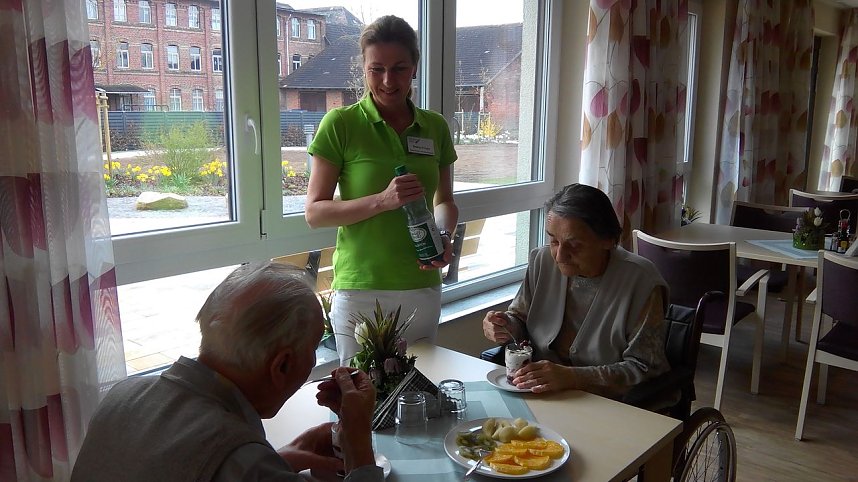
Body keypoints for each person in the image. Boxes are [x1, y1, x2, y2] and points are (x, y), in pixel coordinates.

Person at [71, 262, 383, 482]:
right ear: (282, 365)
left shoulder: (124, 394)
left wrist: (280, 458)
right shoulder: (244, 463)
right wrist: (358, 446)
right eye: (314, 347)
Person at [305, 15, 459, 365]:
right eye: (377, 69)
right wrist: (382, 200)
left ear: (415, 68)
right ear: (363, 68)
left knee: (417, 394)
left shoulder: (434, 126)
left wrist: (443, 234)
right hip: (361, 288)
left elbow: (445, 200)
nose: (388, 81)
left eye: (400, 68)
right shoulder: (340, 124)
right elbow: (314, 213)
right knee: (360, 398)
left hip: (421, 285)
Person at [482, 184, 670, 398]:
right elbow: (520, 319)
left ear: (607, 240)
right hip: (541, 391)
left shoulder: (642, 282)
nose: (560, 256)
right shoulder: (542, 261)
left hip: (609, 403)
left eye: (575, 245)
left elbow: (644, 369)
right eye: (553, 241)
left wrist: (573, 377)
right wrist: (505, 326)